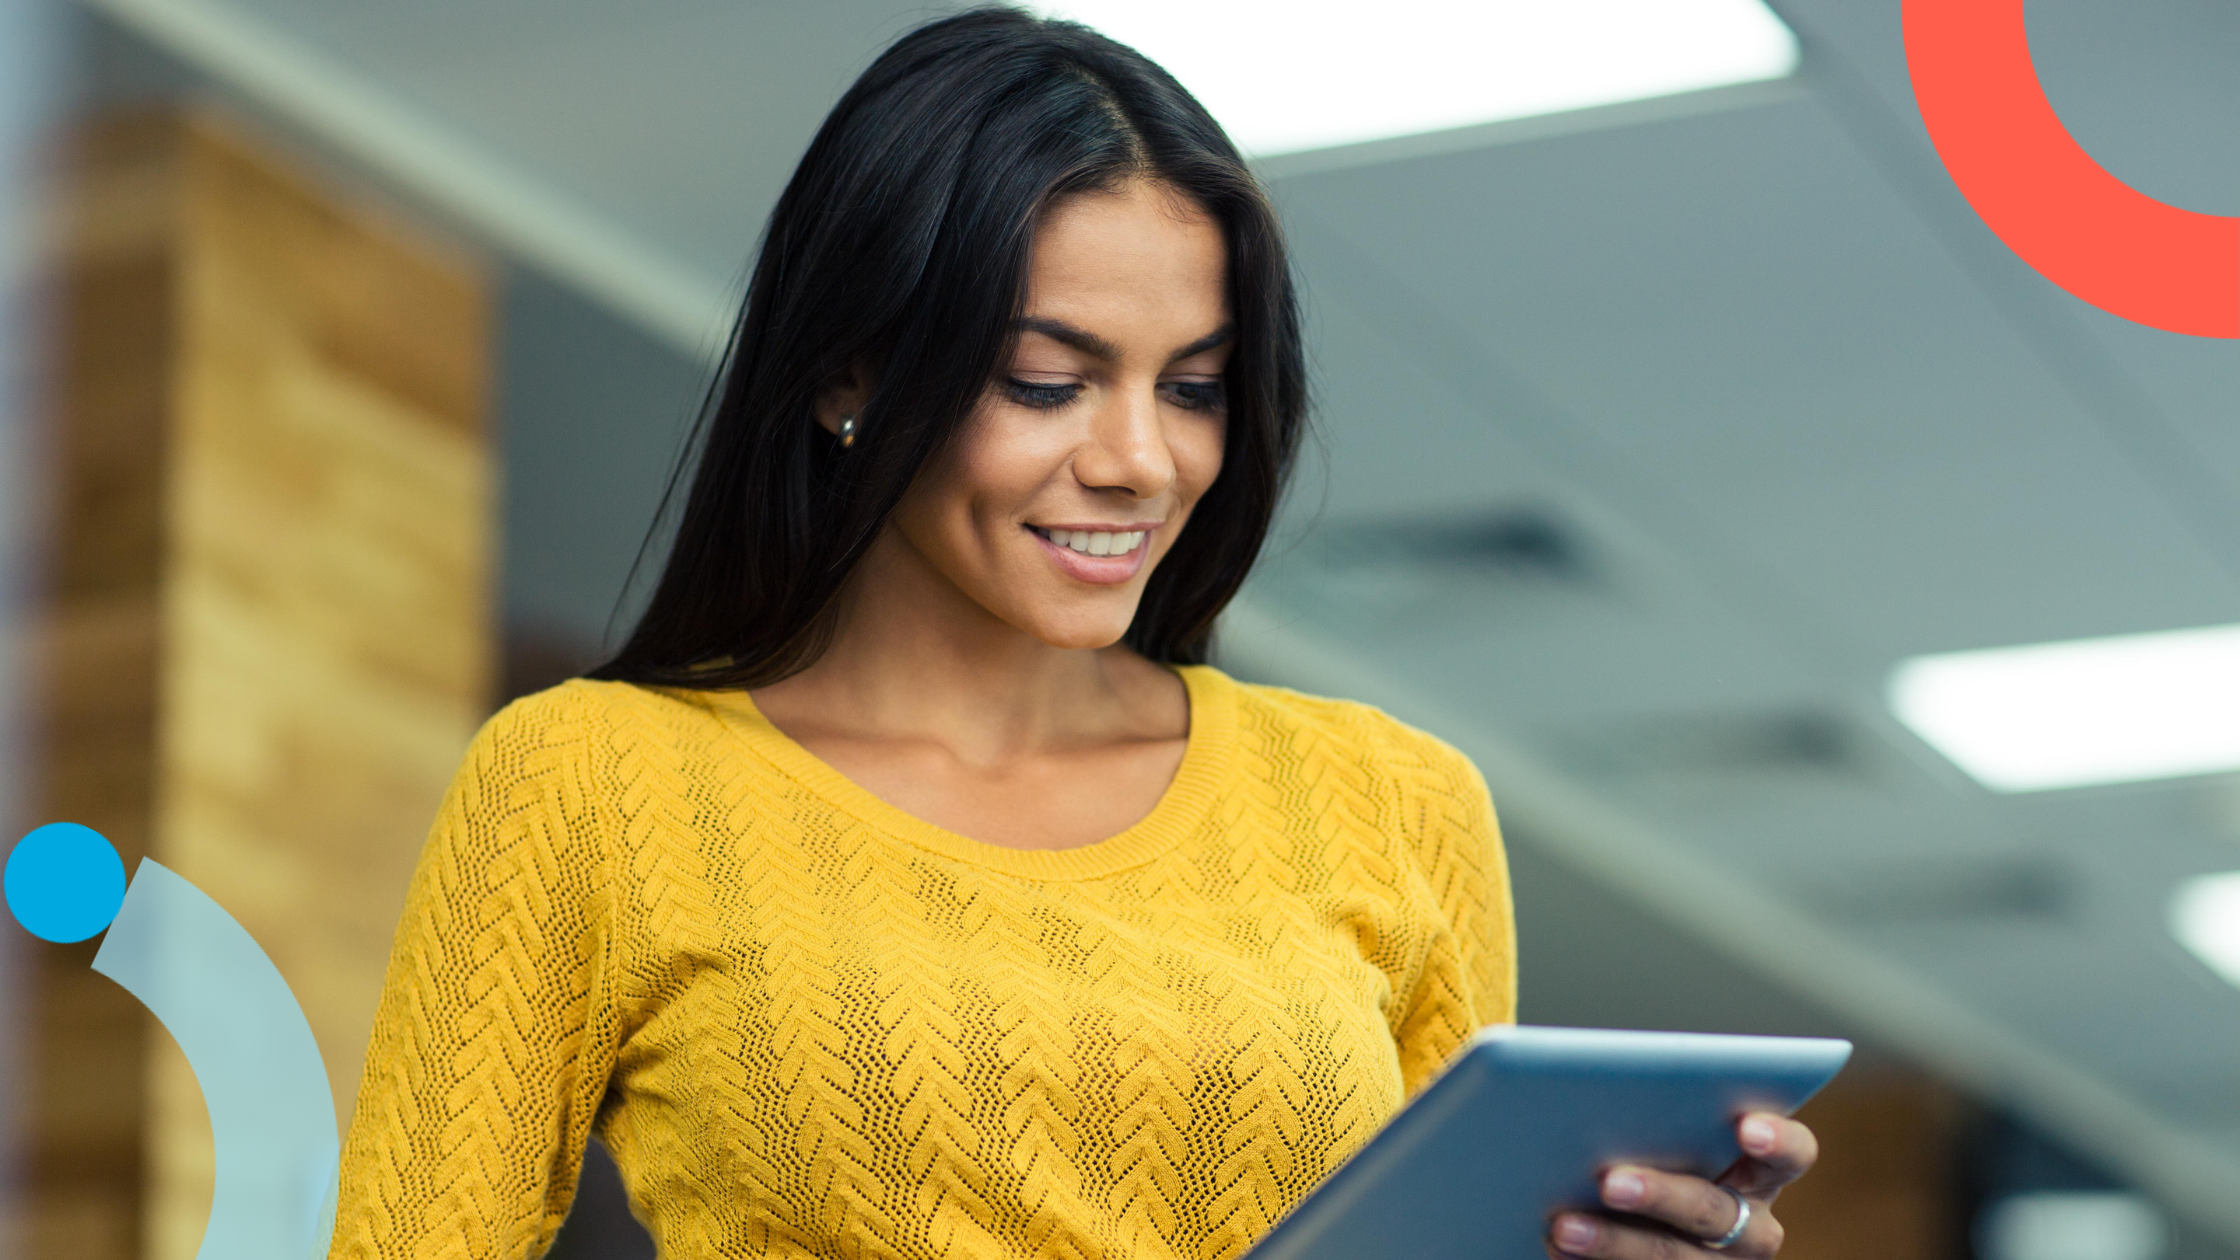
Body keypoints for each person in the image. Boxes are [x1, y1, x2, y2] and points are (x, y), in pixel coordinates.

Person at [327, 9, 1819, 1259]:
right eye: (1051, 380)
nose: (1141, 461)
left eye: (1194, 387)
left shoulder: (1394, 803)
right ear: (851, 374)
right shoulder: (591, 784)